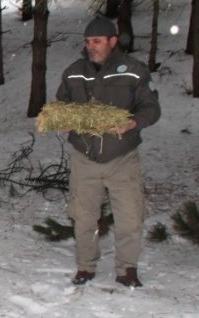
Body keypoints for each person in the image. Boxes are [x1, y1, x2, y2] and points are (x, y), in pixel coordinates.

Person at [56, 17, 161, 288]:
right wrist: (61, 119)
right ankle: (86, 266)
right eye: (88, 42)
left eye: (97, 41)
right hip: (85, 156)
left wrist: (134, 122)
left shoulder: (134, 71)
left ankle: (127, 269)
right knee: (83, 216)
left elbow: (151, 107)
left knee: (129, 216)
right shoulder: (74, 72)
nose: (92, 47)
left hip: (122, 158)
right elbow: (61, 105)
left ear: (113, 41)